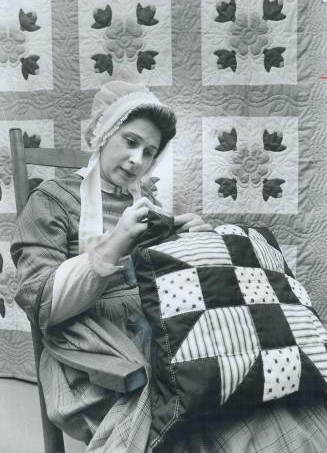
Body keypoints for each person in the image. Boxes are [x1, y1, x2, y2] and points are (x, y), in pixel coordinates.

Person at [10, 81, 327, 453]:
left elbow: (172, 289)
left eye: (149, 152)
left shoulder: (150, 204)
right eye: (130, 142)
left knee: (276, 400)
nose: (137, 161)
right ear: (102, 133)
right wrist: (115, 244)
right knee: (221, 422)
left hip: (165, 333)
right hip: (96, 350)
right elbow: (40, 304)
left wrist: (192, 243)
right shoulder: (51, 201)